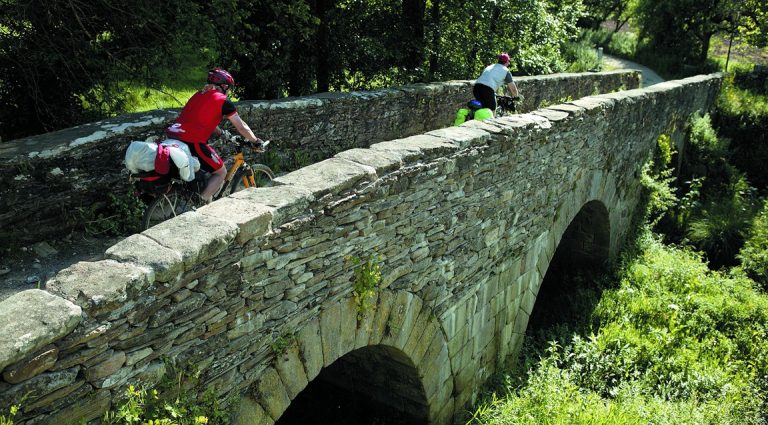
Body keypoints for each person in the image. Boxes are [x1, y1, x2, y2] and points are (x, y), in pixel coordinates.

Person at [165, 67, 265, 203]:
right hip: (193, 142)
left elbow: (202, 120)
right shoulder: (223, 101)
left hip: (174, 137)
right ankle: (200, 204)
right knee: (220, 173)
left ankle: (196, 194)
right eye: (229, 88)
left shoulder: (198, 95)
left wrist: (222, 133)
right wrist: (255, 140)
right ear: (224, 86)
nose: (228, 91)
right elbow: (241, 126)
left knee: (202, 169)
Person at [473, 52, 520, 116]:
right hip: (488, 89)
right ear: (506, 62)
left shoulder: (489, 67)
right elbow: (513, 88)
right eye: (508, 62)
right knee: (492, 109)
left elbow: (485, 79)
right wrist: (516, 97)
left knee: (482, 107)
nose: (508, 63)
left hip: (476, 87)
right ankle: (491, 124)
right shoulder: (505, 71)